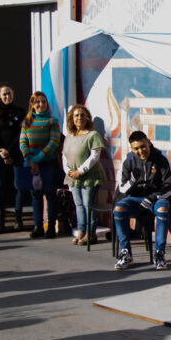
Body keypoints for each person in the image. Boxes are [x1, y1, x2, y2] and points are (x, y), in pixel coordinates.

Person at [113, 130, 171, 271]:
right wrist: (132, 181)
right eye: (136, 148)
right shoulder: (128, 160)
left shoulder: (160, 158)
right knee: (118, 210)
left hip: (156, 198)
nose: (141, 151)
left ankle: (159, 254)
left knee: (163, 209)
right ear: (131, 148)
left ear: (148, 142)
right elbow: (122, 188)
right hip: (135, 199)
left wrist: (153, 197)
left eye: (143, 146)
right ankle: (126, 253)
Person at [62, 104, 107, 245]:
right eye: (76, 115)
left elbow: (94, 156)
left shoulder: (93, 135)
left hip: (89, 177)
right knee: (78, 204)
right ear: (72, 118)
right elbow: (64, 155)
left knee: (88, 204)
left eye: (82, 115)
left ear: (87, 117)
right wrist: (68, 171)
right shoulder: (69, 136)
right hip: (73, 177)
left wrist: (80, 171)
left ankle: (91, 233)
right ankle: (81, 230)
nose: (79, 118)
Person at [19, 91, 61, 239]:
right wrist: (30, 159)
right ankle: (38, 226)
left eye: (43, 101)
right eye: (37, 102)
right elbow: (22, 142)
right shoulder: (26, 122)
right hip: (30, 164)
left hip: (47, 163)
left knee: (50, 195)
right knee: (35, 195)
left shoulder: (52, 121)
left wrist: (37, 159)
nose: (40, 104)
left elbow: (54, 142)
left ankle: (50, 227)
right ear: (32, 104)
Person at [0, 82, 26, 232]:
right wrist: (1, 150)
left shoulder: (20, 111)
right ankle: (0, 218)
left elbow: (21, 133)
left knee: (19, 185)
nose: (7, 96)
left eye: (9, 93)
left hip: (16, 151)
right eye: (4, 94)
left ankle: (18, 217)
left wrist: (9, 151)